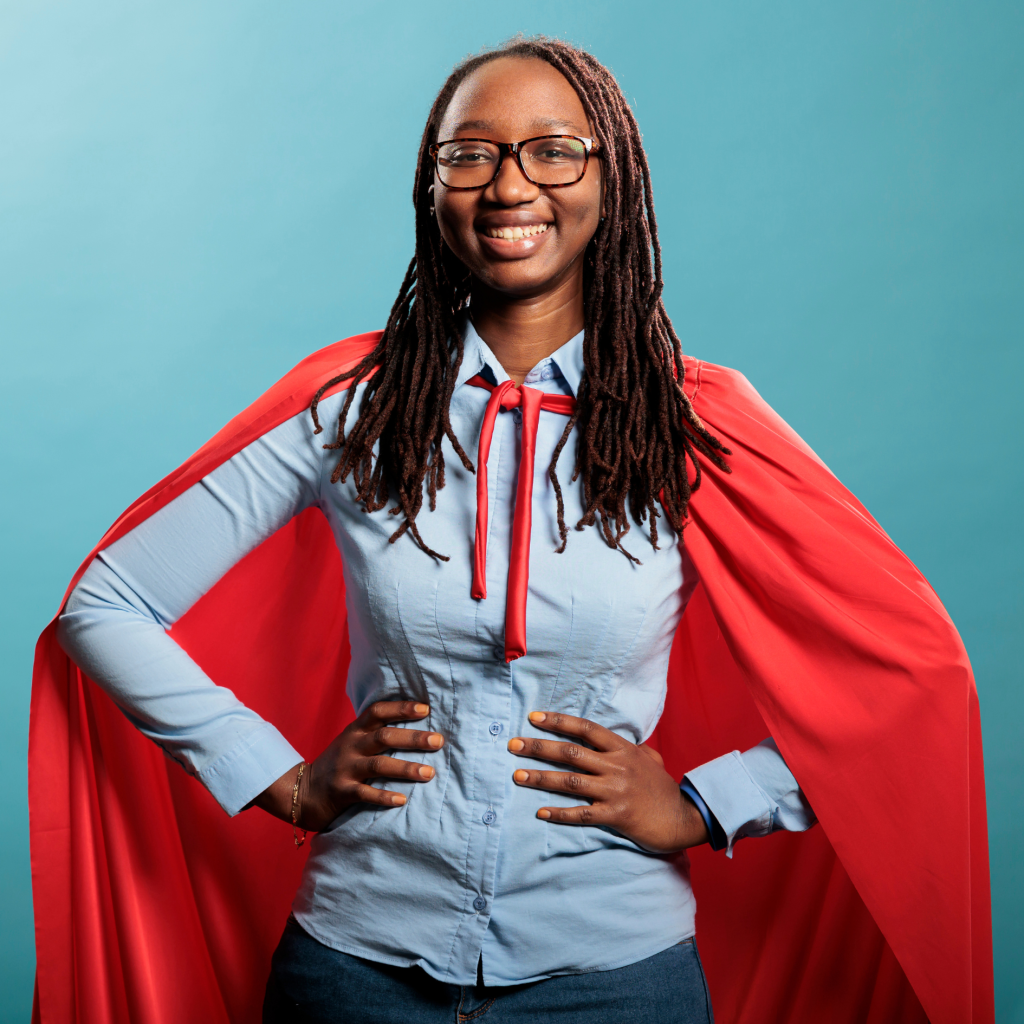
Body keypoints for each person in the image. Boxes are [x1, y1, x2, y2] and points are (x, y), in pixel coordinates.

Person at [32, 36, 992, 1024]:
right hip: (354, 970)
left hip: (617, 980)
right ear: (431, 184)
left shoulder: (695, 425)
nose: (508, 185)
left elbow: (909, 682)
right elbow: (107, 603)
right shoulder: (351, 406)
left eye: (552, 150)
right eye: (471, 153)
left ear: (609, 178)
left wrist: (710, 803)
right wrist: (276, 775)